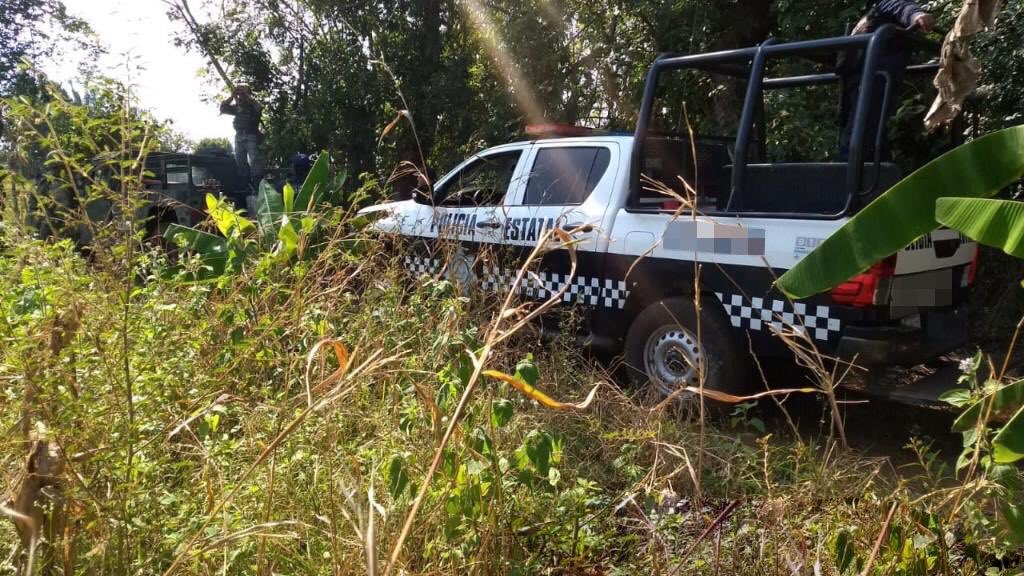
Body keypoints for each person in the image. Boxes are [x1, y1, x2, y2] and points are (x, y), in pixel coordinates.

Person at [838, 1, 935, 162]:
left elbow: (902, 7)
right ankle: (884, 181)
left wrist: (917, 15)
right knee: (872, 137)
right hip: (858, 83)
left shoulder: (886, 5)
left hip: (874, 81)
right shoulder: (872, 11)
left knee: (857, 138)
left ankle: (846, 183)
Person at [220, 84, 263, 184]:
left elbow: (259, 108)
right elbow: (223, 109)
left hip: (251, 135)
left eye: (243, 93)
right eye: (240, 94)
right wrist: (232, 96)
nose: (241, 96)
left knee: (254, 160)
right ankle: (244, 183)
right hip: (239, 136)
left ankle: (257, 183)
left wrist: (247, 95)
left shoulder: (252, 106)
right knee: (240, 161)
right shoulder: (237, 107)